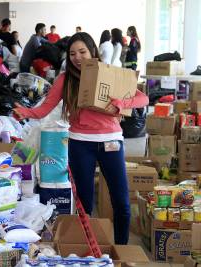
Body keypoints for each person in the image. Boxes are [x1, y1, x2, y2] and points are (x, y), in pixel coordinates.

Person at [13, 32, 149, 245]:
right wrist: (25, 112)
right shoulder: (65, 80)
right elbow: (45, 109)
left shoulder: (108, 73)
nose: (77, 57)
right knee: (84, 202)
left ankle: (121, 250)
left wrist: (123, 104)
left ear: (93, 51)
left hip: (111, 141)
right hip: (80, 143)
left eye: (82, 52)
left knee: (121, 201)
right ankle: (87, 247)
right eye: (73, 53)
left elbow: (143, 98)